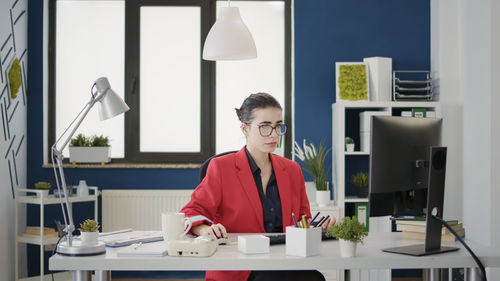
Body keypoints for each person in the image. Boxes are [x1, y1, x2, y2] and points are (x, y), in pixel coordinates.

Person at [181, 93, 336, 281]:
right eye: (265, 127)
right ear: (245, 128)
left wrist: (319, 228)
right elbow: (190, 212)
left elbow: (303, 221)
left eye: (278, 126)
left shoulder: (292, 170)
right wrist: (205, 229)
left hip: (285, 260)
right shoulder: (221, 167)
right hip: (241, 265)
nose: (274, 134)